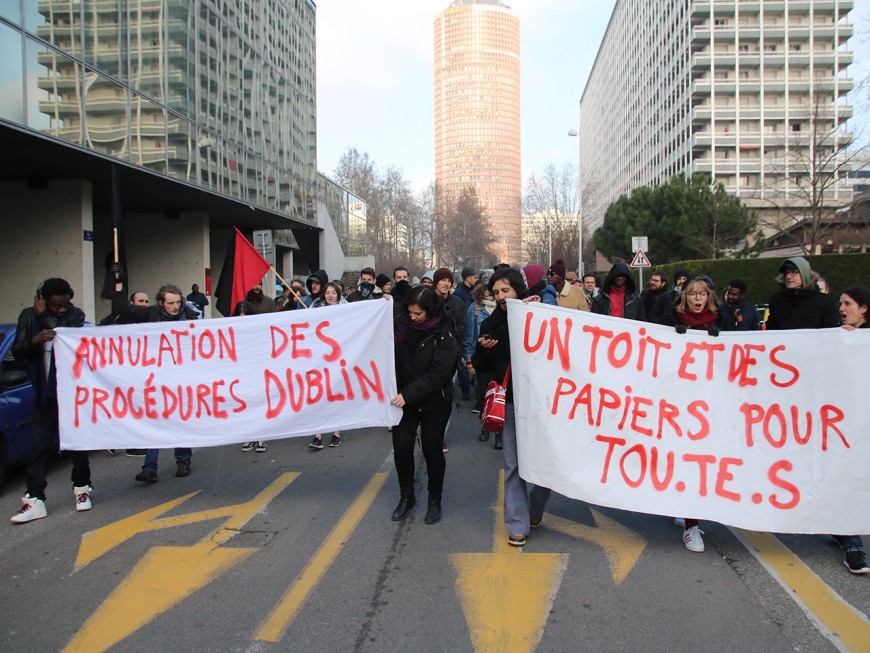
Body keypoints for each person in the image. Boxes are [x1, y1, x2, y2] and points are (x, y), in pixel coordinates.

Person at [471, 268, 551, 546]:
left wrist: (537, 311)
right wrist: (483, 349)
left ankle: (535, 507)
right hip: (511, 403)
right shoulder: (491, 323)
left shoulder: (537, 312)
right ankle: (518, 523)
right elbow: (479, 365)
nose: (501, 296)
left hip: (542, 404)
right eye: (496, 293)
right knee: (513, 465)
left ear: (518, 288)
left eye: (505, 290)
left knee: (547, 463)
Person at [10, 278, 89, 523]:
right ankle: (35, 498)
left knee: (77, 445)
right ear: (43, 300)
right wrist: (34, 340)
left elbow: (62, 332)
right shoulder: (27, 316)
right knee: (39, 448)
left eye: (66, 304)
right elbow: (17, 350)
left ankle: (82, 489)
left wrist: (45, 315)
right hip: (44, 395)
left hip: (71, 394)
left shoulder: (75, 315)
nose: (63, 309)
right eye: (57, 305)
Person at [111, 281, 200, 483]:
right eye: (170, 303)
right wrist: (117, 282)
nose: (175, 307)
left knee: (178, 418)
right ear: (160, 303)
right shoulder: (151, 314)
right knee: (154, 419)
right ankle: (150, 468)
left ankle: (183, 460)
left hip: (179, 377)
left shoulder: (189, 316)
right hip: (155, 377)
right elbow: (123, 308)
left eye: (177, 302)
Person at [389, 286, 457, 524]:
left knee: (432, 450)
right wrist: (381, 305)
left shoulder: (445, 330)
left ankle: (434, 500)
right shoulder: (400, 324)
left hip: (434, 401)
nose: (412, 317)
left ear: (430, 311)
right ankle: (406, 496)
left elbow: (440, 373)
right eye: (409, 312)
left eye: (417, 313)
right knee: (402, 447)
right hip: (404, 402)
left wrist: (408, 394)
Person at [833, 286, 870, 574]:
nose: (842, 308)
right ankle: (852, 544)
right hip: (846, 425)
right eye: (841, 303)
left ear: (864, 308)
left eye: (847, 303)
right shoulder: (837, 336)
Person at [308, 282, 347, 449]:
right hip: (319, 359)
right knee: (318, 394)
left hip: (338, 359)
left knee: (336, 395)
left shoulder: (348, 310)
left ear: (338, 294)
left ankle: (336, 433)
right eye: (327, 292)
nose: (330, 295)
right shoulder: (314, 308)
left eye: (334, 292)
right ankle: (317, 434)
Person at [766, 257, 840, 330]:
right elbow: (771, 330)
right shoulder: (777, 300)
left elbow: (832, 329)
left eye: (793, 272)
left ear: (804, 273)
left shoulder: (825, 302)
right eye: (786, 273)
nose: (788, 276)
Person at [464, 282, 496, 435]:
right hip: (481, 360)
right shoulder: (475, 308)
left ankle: (499, 434)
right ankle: (485, 427)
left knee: (500, 396)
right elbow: (469, 337)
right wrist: (469, 360)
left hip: (500, 360)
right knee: (483, 396)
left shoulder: (505, 307)